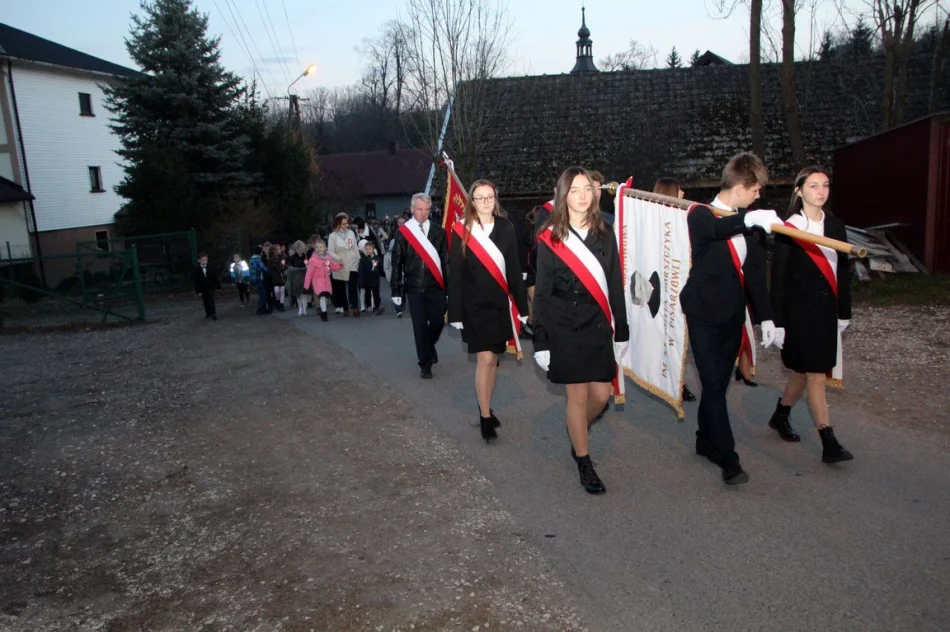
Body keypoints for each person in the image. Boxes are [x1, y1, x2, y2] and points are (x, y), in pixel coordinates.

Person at [679, 152, 783, 485]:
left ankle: (704, 440)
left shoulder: (751, 224)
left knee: (718, 387)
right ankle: (728, 458)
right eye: (755, 190)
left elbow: (754, 276)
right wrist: (749, 220)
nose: (758, 196)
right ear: (740, 185)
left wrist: (766, 318)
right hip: (703, 315)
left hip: (733, 316)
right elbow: (716, 230)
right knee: (712, 384)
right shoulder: (699, 214)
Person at [533, 167, 628, 494]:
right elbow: (542, 294)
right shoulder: (549, 237)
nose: (583, 195)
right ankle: (584, 462)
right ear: (563, 195)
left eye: (587, 188)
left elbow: (615, 284)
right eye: (575, 190)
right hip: (563, 324)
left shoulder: (605, 232)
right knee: (577, 395)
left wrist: (623, 329)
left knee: (602, 394)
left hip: (598, 321)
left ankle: (578, 432)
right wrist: (540, 340)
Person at [768, 166, 854, 463]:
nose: (821, 191)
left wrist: (845, 311)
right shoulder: (788, 228)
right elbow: (778, 279)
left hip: (827, 311)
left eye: (826, 185)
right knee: (817, 374)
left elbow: (843, 271)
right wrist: (776, 322)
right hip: (799, 314)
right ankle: (828, 441)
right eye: (814, 185)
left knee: (804, 371)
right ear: (799, 191)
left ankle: (780, 414)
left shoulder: (836, 225)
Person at [448, 180, 529, 443]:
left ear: (495, 199)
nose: (485, 202)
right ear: (472, 201)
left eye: (489, 197)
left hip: (500, 307)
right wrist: (456, 314)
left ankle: (487, 406)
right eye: (479, 198)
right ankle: (484, 417)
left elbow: (515, 271)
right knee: (484, 360)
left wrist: (523, 308)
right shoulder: (462, 231)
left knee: (494, 360)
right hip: (473, 309)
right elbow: (456, 276)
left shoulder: (506, 228)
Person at [390, 193, 448, 379]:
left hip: (435, 285)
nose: (423, 213)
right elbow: (397, 262)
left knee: (438, 321)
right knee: (420, 326)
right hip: (414, 286)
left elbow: (445, 261)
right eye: (419, 209)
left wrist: (449, 288)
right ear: (412, 209)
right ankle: (425, 363)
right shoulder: (403, 233)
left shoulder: (439, 232)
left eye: (426, 210)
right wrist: (396, 290)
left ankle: (428, 347)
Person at [652, 178, 696, 402]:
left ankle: (677, 380)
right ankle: (673, 380)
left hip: (683, 283)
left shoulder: (685, 217)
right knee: (669, 334)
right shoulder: (655, 221)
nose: (684, 192)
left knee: (679, 334)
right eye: (679, 190)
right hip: (664, 286)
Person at [328, 213, 361, 317]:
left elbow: (355, 247)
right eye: (343, 224)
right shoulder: (332, 236)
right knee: (341, 287)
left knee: (352, 286)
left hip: (351, 261)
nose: (346, 225)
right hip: (339, 263)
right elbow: (330, 251)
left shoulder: (351, 233)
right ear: (338, 224)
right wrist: (338, 259)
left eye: (347, 223)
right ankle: (345, 307)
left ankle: (355, 307)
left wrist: (357, 258)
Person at [304, 238, 340, 322]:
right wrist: (306, 285)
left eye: (320, 247)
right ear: (315, 249)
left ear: (325, 248)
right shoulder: (312, 260)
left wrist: (340, 264)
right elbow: (309, 273)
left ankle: (323, 310)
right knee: (322, 296)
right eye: (317, 247)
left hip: (326, 281)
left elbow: (333, 267)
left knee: (325, 297)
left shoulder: (328, 258)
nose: (319, 249)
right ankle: (324, 313)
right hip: (317, 281)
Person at [357, 239, 384, 315]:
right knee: (367, 294)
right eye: (366, 249)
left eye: (369, 249)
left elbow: (381, 268)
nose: (368, 251)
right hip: (366, 280)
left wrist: (383, 273)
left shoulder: (377, 258)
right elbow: (361, 271)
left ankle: (377, 306)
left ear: (373, 249)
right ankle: (368, 306)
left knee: (376, 293)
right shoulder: (363, 260)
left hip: (375, 279)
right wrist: (361, 281)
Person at [194, 252, 221, 321]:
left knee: (211, 299)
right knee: (205, 301)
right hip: (203, 287)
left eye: (206, 260)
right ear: (199, 260)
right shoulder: (196, 269)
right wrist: (198, 291)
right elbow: (196, 281)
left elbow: (215, 277)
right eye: (203, 260)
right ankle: (208, 313)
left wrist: (218, 286)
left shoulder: (211, 267)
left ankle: (213, 313)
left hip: (211, 286)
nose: (204, 261)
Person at [288, 240, 308, 316]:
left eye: (301, 248)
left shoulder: (306, 256)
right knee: (298, 294)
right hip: (296, 277)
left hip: (305, 276)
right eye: (297, 248)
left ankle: (305, 310)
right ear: (295, 249)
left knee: (304, 294)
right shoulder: (292, 257)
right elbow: (290, 267)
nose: (299, 250)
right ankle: (300, 308)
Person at [250, 245, 270, 315]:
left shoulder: (252, 258)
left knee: (262, 293)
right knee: (263, 294)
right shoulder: (257, 259)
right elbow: (263, 268)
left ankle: (263, 308)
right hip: (258, 278)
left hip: (254, 278)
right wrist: (269, 268)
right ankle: (260, 309)